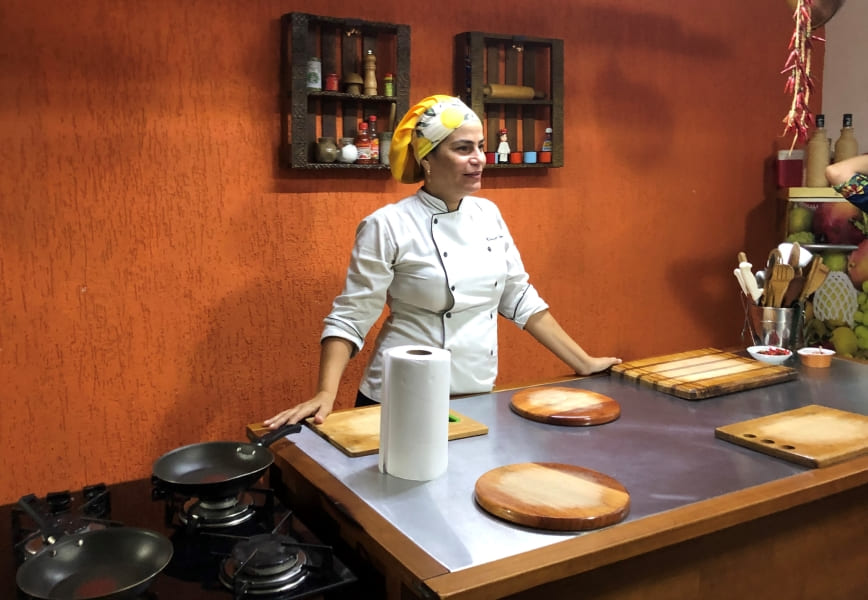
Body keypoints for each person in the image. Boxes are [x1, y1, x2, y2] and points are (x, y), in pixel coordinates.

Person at [264, 95, 621, 429]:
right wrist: (325, 394)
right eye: (463, 148)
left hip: (476, 393)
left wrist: (583, 362)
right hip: (401, 397)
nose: (479, 158)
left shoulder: (488, 215)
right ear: (427, 159)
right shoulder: (387, 225)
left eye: (480, 146)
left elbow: (518, 297)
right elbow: (352, 315)